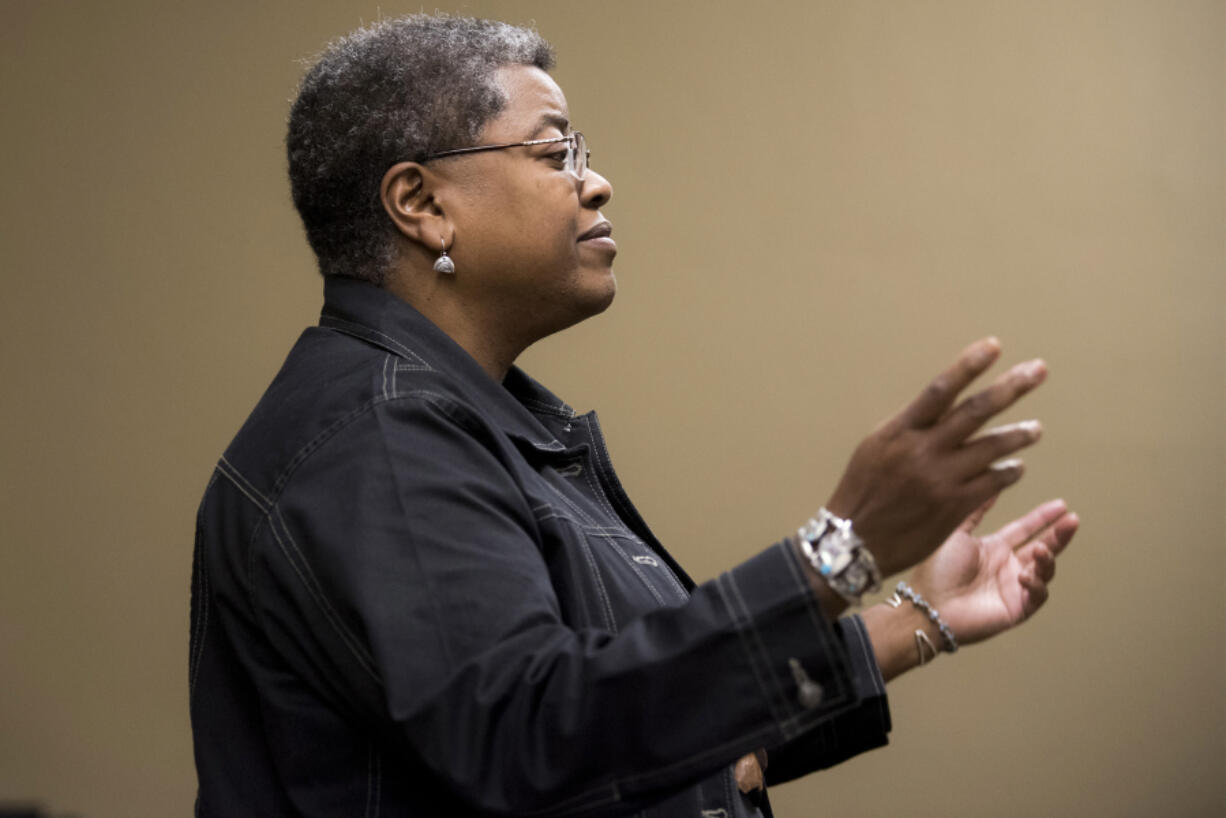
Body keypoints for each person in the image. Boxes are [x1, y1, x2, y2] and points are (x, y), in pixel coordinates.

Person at [188, 14, 1079, 817]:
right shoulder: (379, 440)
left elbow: (635, 723)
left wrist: (922, 619)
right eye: (555, 152)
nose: (598, 182)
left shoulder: (482, 418)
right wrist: (835, 553)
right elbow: (535, 745)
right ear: (421, 205)